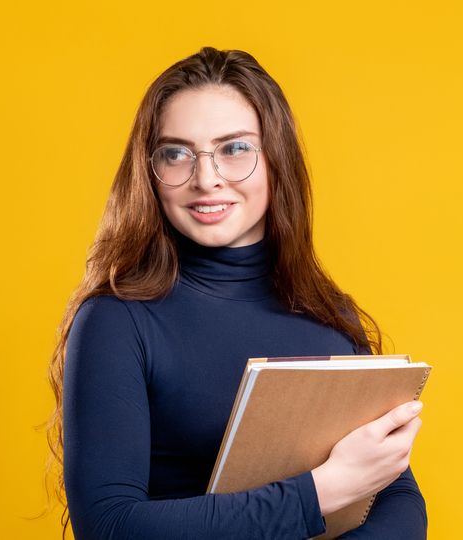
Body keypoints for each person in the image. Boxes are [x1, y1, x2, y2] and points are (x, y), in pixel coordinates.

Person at [45, 47, 426, 539]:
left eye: (235, 148)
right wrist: (319, 493)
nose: (206, 179)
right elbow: (109, 527)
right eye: (176, 153)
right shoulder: (116, 321)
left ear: (276, 160)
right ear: (151, 171)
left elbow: (397, 497)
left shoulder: (330, 316)